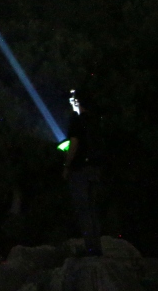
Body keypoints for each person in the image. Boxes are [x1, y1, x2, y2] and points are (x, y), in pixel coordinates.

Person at [63, 89, 103, 256]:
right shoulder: (95, 122)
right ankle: (96, 247)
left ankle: (90, 249)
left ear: (78, 103)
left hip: (79, 170)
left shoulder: (77, 121)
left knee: (83, 210)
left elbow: (74, 144)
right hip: (95, 169)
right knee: (93, 210)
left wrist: (66, 165)